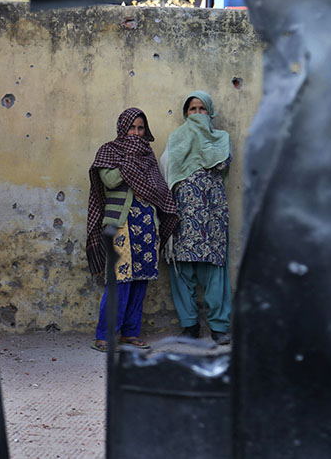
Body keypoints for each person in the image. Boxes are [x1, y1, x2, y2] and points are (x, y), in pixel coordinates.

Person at [87, 107, 178, 352]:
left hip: (147, 224)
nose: (136, 133)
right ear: (122, 128)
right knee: (120, 278)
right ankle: (105, 335)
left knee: (141, 281)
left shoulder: (148, 156)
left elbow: (157, 190)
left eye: (140, 128)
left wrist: (136, 161)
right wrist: (130, 160)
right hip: (120, 223)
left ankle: (130, 333)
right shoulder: (110, 151)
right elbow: (109, 180)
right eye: (132, 127)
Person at [161, 91, 233, 345]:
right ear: (185, 113)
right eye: (192, 109)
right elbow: (167, 168)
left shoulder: (221, 139)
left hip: (212, 215)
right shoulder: (176, 138)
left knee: (214, 271)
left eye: (202, 109)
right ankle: (190, 326)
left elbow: (221, 164)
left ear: (210, 112)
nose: (198, 114)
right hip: (183, 215)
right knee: (182, 270)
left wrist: (199, 139)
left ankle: (219, 327)